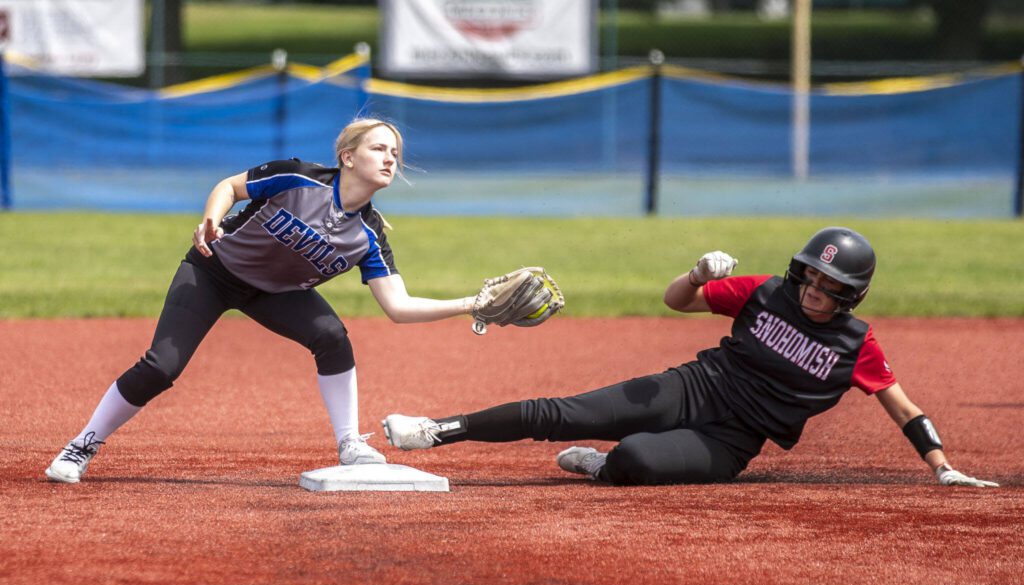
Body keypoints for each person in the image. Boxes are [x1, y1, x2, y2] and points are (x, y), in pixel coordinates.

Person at [46, 118, 489, 484]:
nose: (390, 158)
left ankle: (351, 442)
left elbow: (398, 306)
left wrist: (472, 303)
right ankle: (82, 444)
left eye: (395, 153)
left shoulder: (369, 236)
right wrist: (210, 221)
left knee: (332, 336)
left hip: (275, 293)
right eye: (378, 148)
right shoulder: (298, 177)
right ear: (348, 157)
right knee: (162, 367)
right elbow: (230, 187)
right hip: (213, 271)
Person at [382, 227, 998, 488]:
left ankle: (602, 468)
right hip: (695, 387)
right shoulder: (765, 292)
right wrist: (696, 272)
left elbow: (903, 406)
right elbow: (679, 301)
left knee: (635, 459)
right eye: (809, 278)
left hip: (733, 440)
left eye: (828, 288)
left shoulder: (856, 345)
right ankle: (437, 430)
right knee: (566, 413)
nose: (813, 292)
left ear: (850, 295)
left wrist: (942, 467)